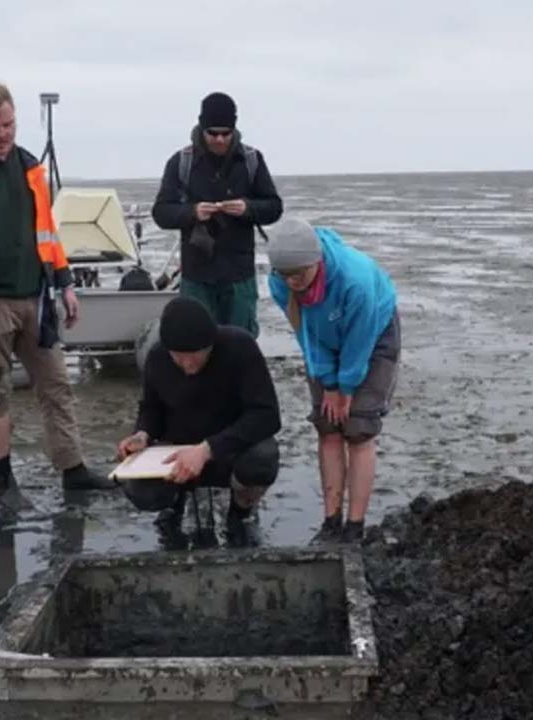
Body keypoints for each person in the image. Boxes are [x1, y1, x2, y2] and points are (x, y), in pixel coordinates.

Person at [0, 81, 113, 508]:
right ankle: (5, 485)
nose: (3, 134)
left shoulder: (31, 168)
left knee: (57, 386)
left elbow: (47, 233)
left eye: (9, 124)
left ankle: (74, 471)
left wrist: (65, 284)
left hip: (38, 299)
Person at [266, 218, 401, 544]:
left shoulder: (354, 280)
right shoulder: (280, 283)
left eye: (300, 273)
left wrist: (347, 387)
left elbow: (360, 339)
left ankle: (355, 527)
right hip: (321, 341)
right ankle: (331, 521)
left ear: (317, 262)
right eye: (286, 275)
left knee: (358, 429)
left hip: (374, 335)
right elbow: (305, 333)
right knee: (328, 427)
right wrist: (328, 383)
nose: (293, 281)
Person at [117, 296, 281, 546]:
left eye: (196, 355)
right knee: (140, 490)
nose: (188, 364)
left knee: (263, 459)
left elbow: (267, 415)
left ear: (211, 345)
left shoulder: (240, 347)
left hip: (230, 448)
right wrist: (142, 435)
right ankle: (173, 503)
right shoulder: (157, 357)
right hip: (178, 450)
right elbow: (151, 408)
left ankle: (241, 511)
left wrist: (208, 449)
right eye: (179, 357)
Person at [151, 92, 283, 336]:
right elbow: (160, 213)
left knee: (241, 342)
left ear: (234, 128)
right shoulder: (181, 162)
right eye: (213, 133)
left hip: (239, 274)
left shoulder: (252, 160)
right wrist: (192, 212)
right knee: (196, 340)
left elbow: (274, 207)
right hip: (197, 276)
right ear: (202, 128)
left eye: (226, 133)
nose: (220, 139)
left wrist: (247, 208)